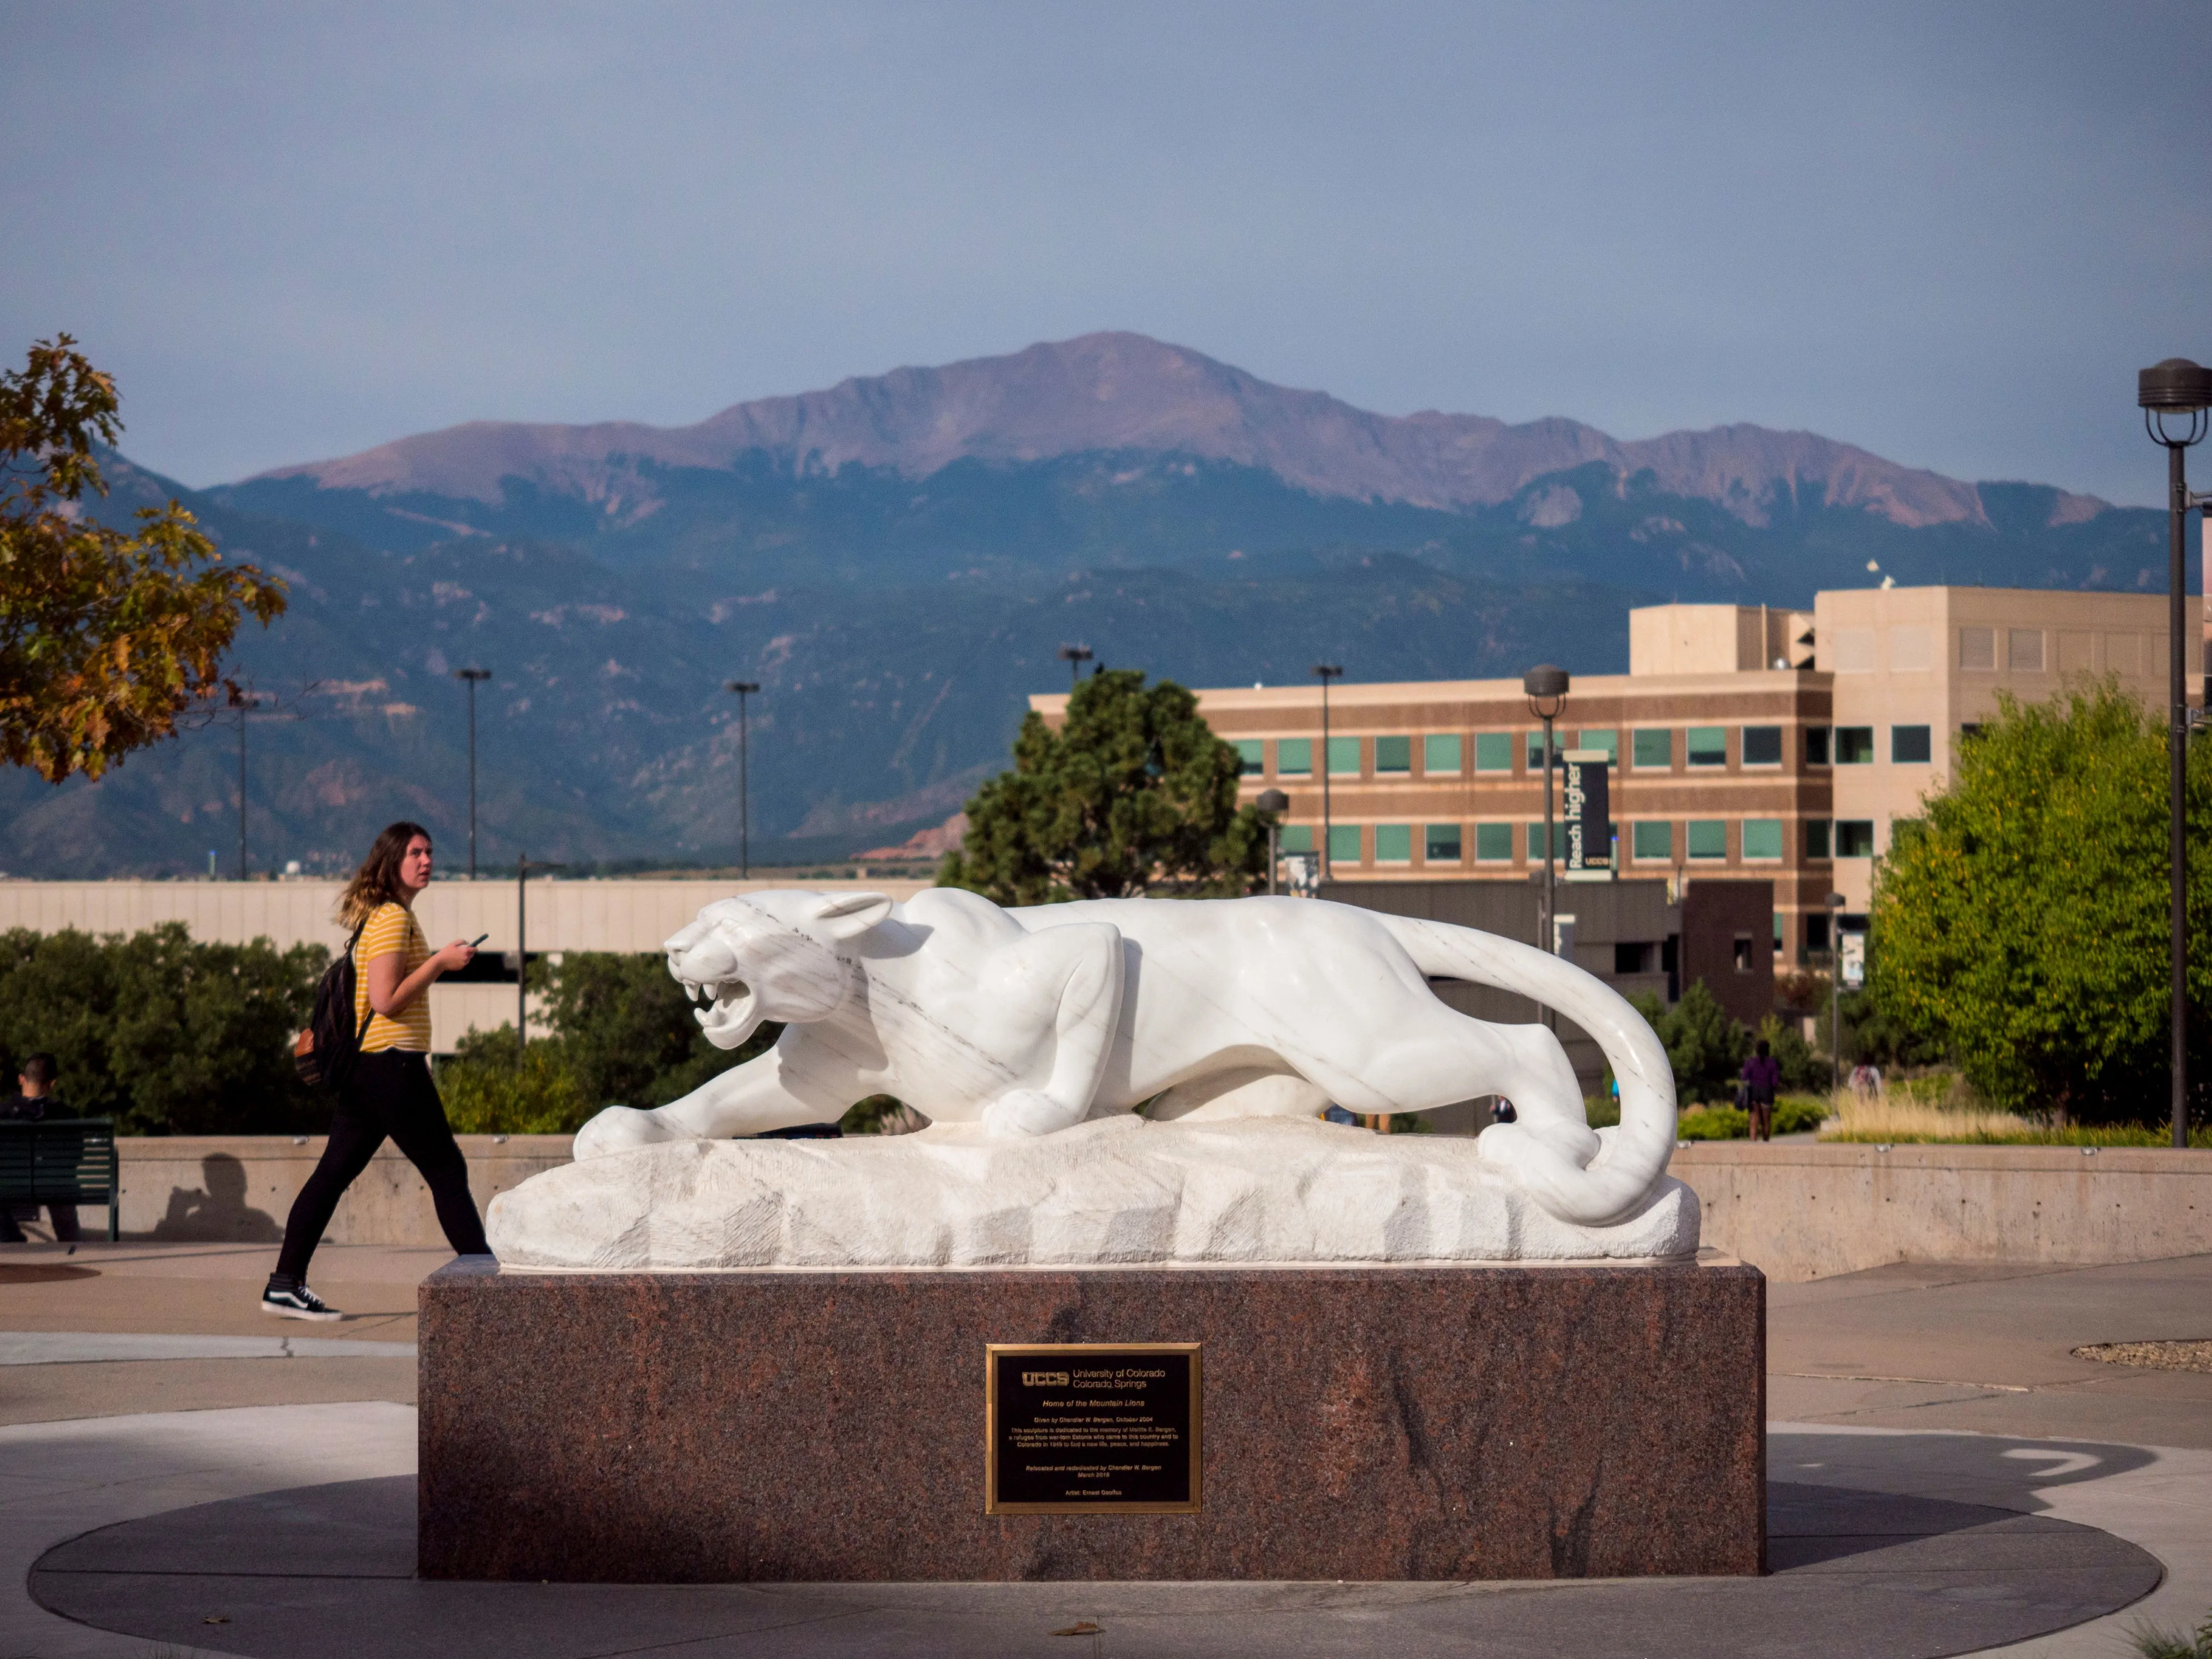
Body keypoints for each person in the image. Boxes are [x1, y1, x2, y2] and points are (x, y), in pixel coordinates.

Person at [262, 822, 489, 1320]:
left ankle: (284, 1284)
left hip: (375, 1070)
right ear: (392, 862)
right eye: (415, 853)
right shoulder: (391, 919)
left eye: (430, 851)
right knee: (447, 1171)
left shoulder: (387, 916)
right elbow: (385, 1002)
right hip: (389, 1067)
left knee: (332, 1175)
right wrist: (438, 964)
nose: (426, 860)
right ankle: (488, 1288)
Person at [0, 1054, 80, 1243]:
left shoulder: (3, 1114)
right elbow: (76, 1156)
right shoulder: (67, 1115)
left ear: (21, 1079)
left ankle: (11, 1239)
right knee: (62, 1191)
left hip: (11, 1186)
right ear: (52, 1084)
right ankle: (74, 1248)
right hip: (55, 1186)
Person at [1739, 1039, 1781, 1142]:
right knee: (1766, 1122)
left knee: (1754, 1121)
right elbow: (1775, 1081)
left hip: (1753, 1093)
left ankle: (1754, 1145)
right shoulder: (1772, 1063)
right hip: (1767, 1092)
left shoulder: (1750, 1062)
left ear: (1757, 1050)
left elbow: (1744, 1077)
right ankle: (1766, 1143)